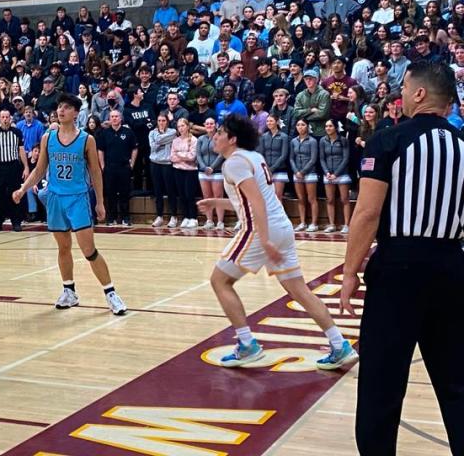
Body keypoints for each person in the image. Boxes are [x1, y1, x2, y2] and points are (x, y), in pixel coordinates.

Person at [341, 62, 464, 455]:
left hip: (398, 269)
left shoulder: (389, 140)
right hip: (451, 266)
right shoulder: (463, 147)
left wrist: (349, 273)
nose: (401, 92)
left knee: (381, 380)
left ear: (420, 94)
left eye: (405, 86)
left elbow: (367, 213)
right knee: (456, 380)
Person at [198, 115, 357, 369]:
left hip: (263, 230)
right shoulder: (255, 158)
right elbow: (254, 200)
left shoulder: (234, 164)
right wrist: (217, 203)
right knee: (299, 290)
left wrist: (263, 238)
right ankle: (339, 344)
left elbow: (257, 204)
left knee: (220, 281)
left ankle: (247, 345)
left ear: (233, 139)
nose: (215, 136)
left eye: (220, 133)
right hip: (282, 227)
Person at [13, 93, 127, 315]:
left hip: (78, 198)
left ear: (76, 112)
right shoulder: (48, 138)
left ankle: (111, 293)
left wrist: (100, 202)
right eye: (59, 107)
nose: (61, 110)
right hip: (55, 198)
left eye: (66, 107)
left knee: (89, 250)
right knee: (63, 248)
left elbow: (95, 171)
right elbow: (39, 170)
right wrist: (23, 188)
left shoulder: (87, 139)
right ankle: (69, 291)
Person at [0, 109, 29, 232]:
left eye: (7, 117)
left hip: (14, 166)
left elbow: (21, 150)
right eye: (3, 117)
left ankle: (16, 222)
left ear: (10, 118)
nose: (5, 119)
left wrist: (26, 167)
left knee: (15, 194)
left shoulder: (17, 132)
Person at [96, 109, 137, 226]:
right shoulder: (105, 133)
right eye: (112, 116)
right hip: (109, 167)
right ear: (109, 119)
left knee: (125, 193)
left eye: (116, 116)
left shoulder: (128, 132)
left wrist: (132, 164)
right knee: (110, 193)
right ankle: (111, 218)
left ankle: (125, 218)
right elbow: (100, 150)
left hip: (124, 167)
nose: (114, 118)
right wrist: (102, 165)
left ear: (120, 118)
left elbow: (134, 148)